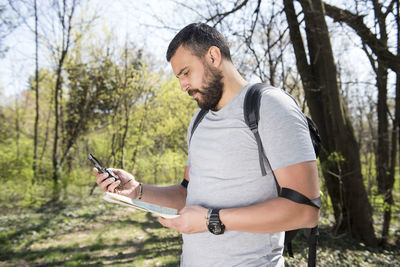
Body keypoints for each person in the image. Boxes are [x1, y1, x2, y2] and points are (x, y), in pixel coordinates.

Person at [94, 22, 320, 266]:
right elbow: (186, 194)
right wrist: (137, 191)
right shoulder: (199, 119)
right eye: (178, 77)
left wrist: (211, 219)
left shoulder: (270, 106)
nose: (182, 86)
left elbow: (305, 211)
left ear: (213, 56)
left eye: (186, 73)